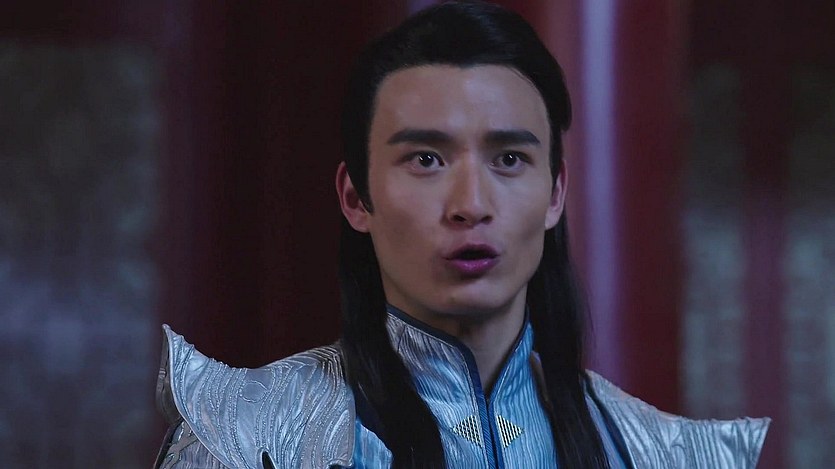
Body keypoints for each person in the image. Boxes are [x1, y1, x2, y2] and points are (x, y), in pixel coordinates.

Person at [153, 2, 769, 468]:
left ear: (555, 195)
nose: (471, 205)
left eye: (509, 160)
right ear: (355, 198)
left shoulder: (660, 452)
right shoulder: (247, 439)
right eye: (426, 159)